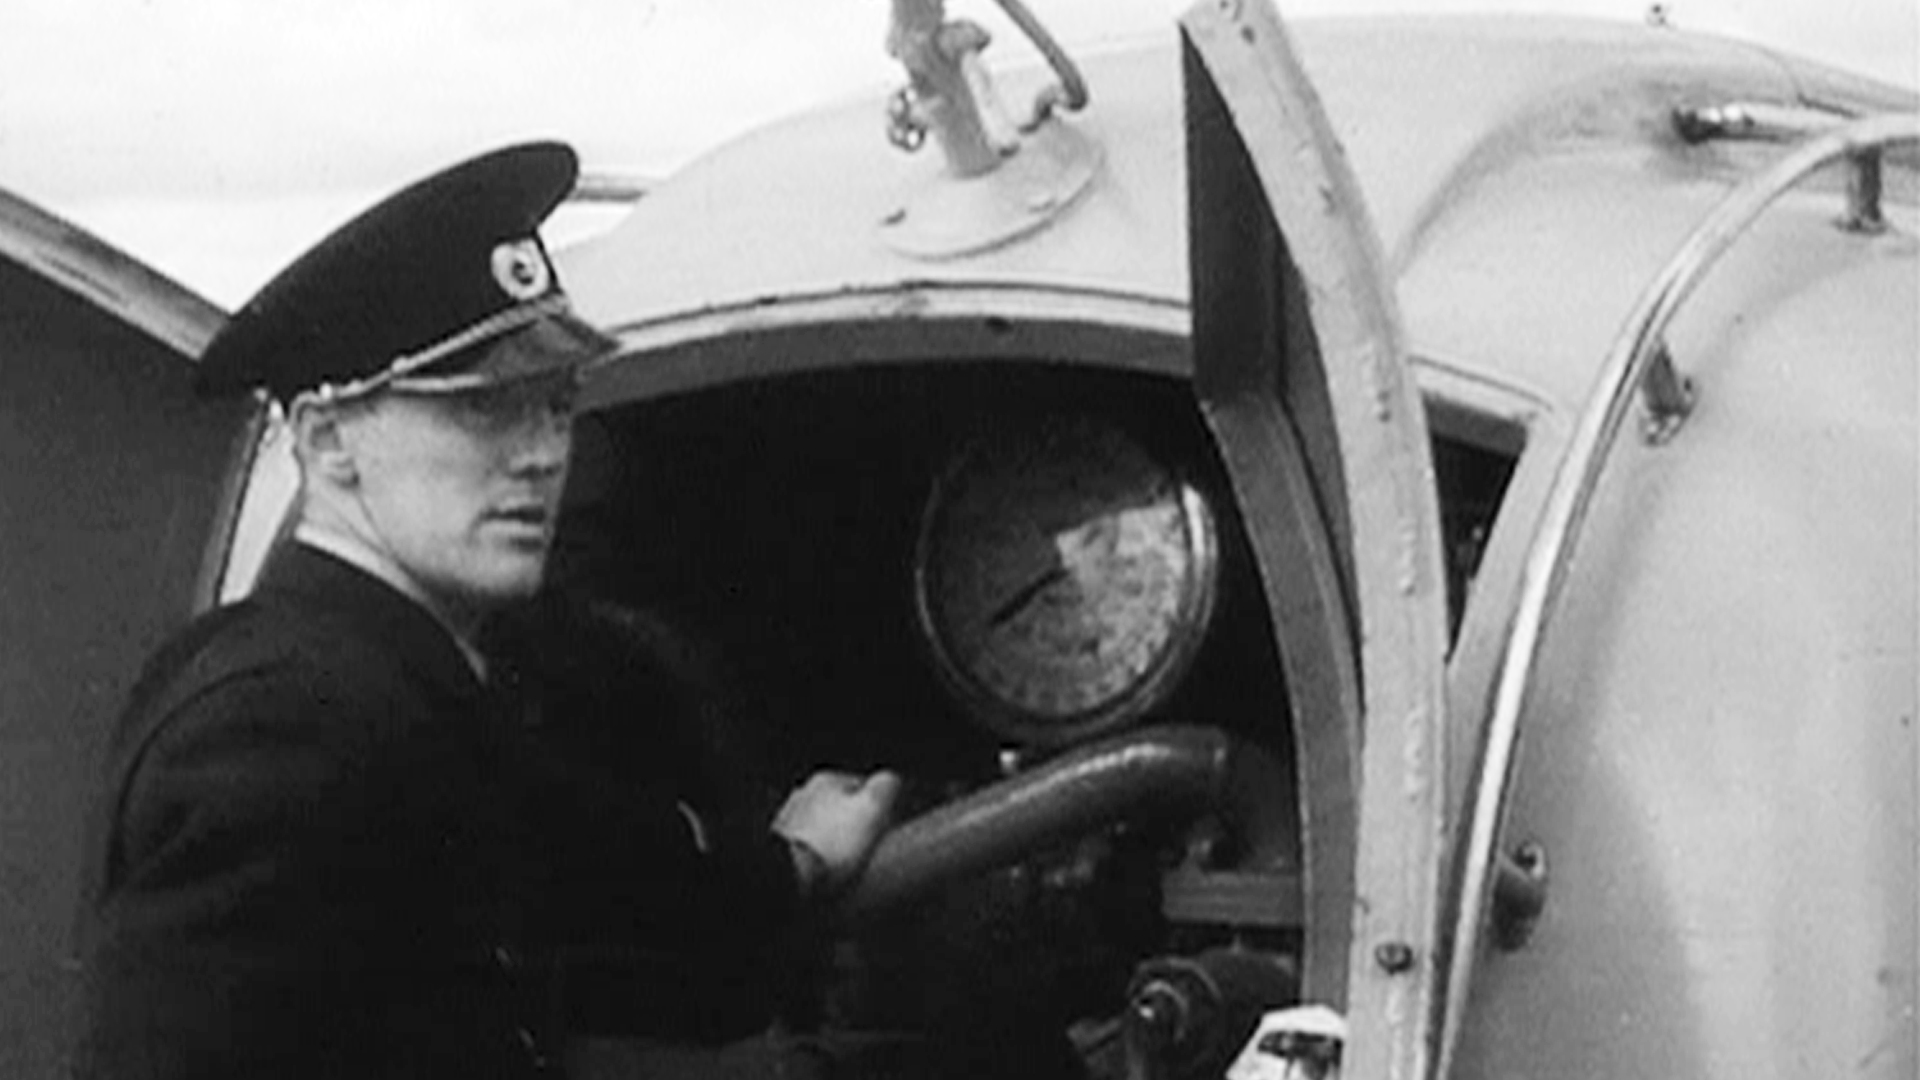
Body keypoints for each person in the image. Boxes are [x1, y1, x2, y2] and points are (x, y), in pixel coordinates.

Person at [73, 142, 900, 1079]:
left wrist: (792, 866)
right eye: (482, 410)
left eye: (554, 405)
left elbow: (579, 843)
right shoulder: (281, 731)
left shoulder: (398, 680)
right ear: (330, 441)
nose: (543, 454)